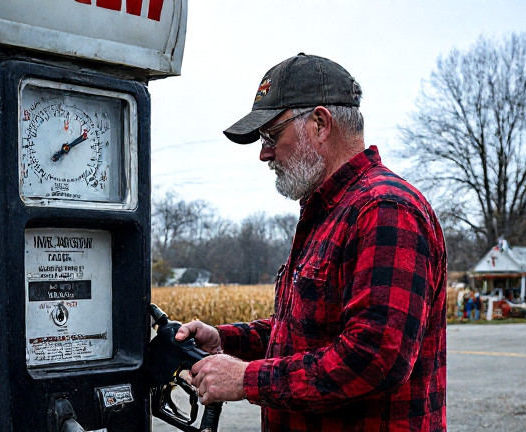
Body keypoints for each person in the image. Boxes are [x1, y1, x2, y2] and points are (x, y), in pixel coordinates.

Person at [175, 53, 447, 431]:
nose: (264, 153)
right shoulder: (329, 212)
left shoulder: (385, 209)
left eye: (272, 135)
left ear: (320, 123)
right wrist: (226, 340)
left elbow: (373, 357)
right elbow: (305, 333)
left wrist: (245, 379)